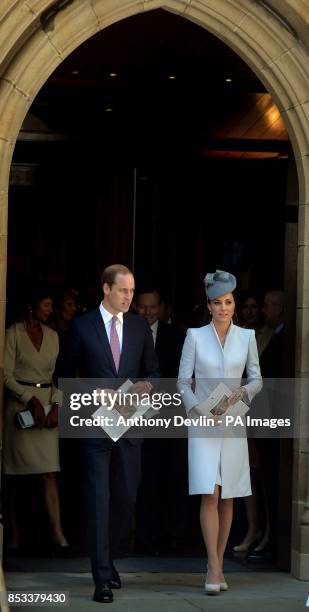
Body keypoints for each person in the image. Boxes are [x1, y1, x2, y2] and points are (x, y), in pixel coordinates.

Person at [57, 264, 159, 604]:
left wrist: (146, 385)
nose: (130, 297)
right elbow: (64, 377)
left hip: (129, 427)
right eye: (123, 290)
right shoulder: (82, 325)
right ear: (105, 289)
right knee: (98, 500)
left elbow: (154, 371)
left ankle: (109, 559)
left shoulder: (139, 326)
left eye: (132, 290)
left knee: (126, 497)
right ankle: (101, 577)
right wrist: (96, 392)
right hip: (93, 428)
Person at [178, 270, 262, 595]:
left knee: (228, 496)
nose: (223, 308)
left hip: (234, 420)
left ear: (233, 303)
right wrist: (200, 410)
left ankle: (219, 564)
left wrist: (244, 394)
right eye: (217, 302)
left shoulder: (248, 337)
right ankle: (212, 566)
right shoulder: (195, 336)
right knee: (209, 492)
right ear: (209, 305)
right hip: (203, 422)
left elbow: (256, 378)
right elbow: (183, 382)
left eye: (228, 302)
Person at [3, 286, 69, 552]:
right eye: (47, 305)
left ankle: (58, 533)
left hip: (47, 406)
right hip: (19, 410)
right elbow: (5, 375)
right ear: (31, 307)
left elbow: (59, 376)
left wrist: (56, 406)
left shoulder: (53, 336)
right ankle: (13, 534)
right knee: (13, 475)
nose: (51, 310)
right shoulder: (12, 334)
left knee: (50, 473)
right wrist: (29, 399)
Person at [134, 288, 186, 553]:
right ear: (135, 307)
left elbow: (183, 376)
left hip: (169, 417)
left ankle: (171, 534)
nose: (148, 312)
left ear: (161, 308)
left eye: (153, 307)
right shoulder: (127, 332)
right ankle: (140, 536)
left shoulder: (177, 336)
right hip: (135, 416)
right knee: (142, 477)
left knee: (171, 476)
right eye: (143, 307)